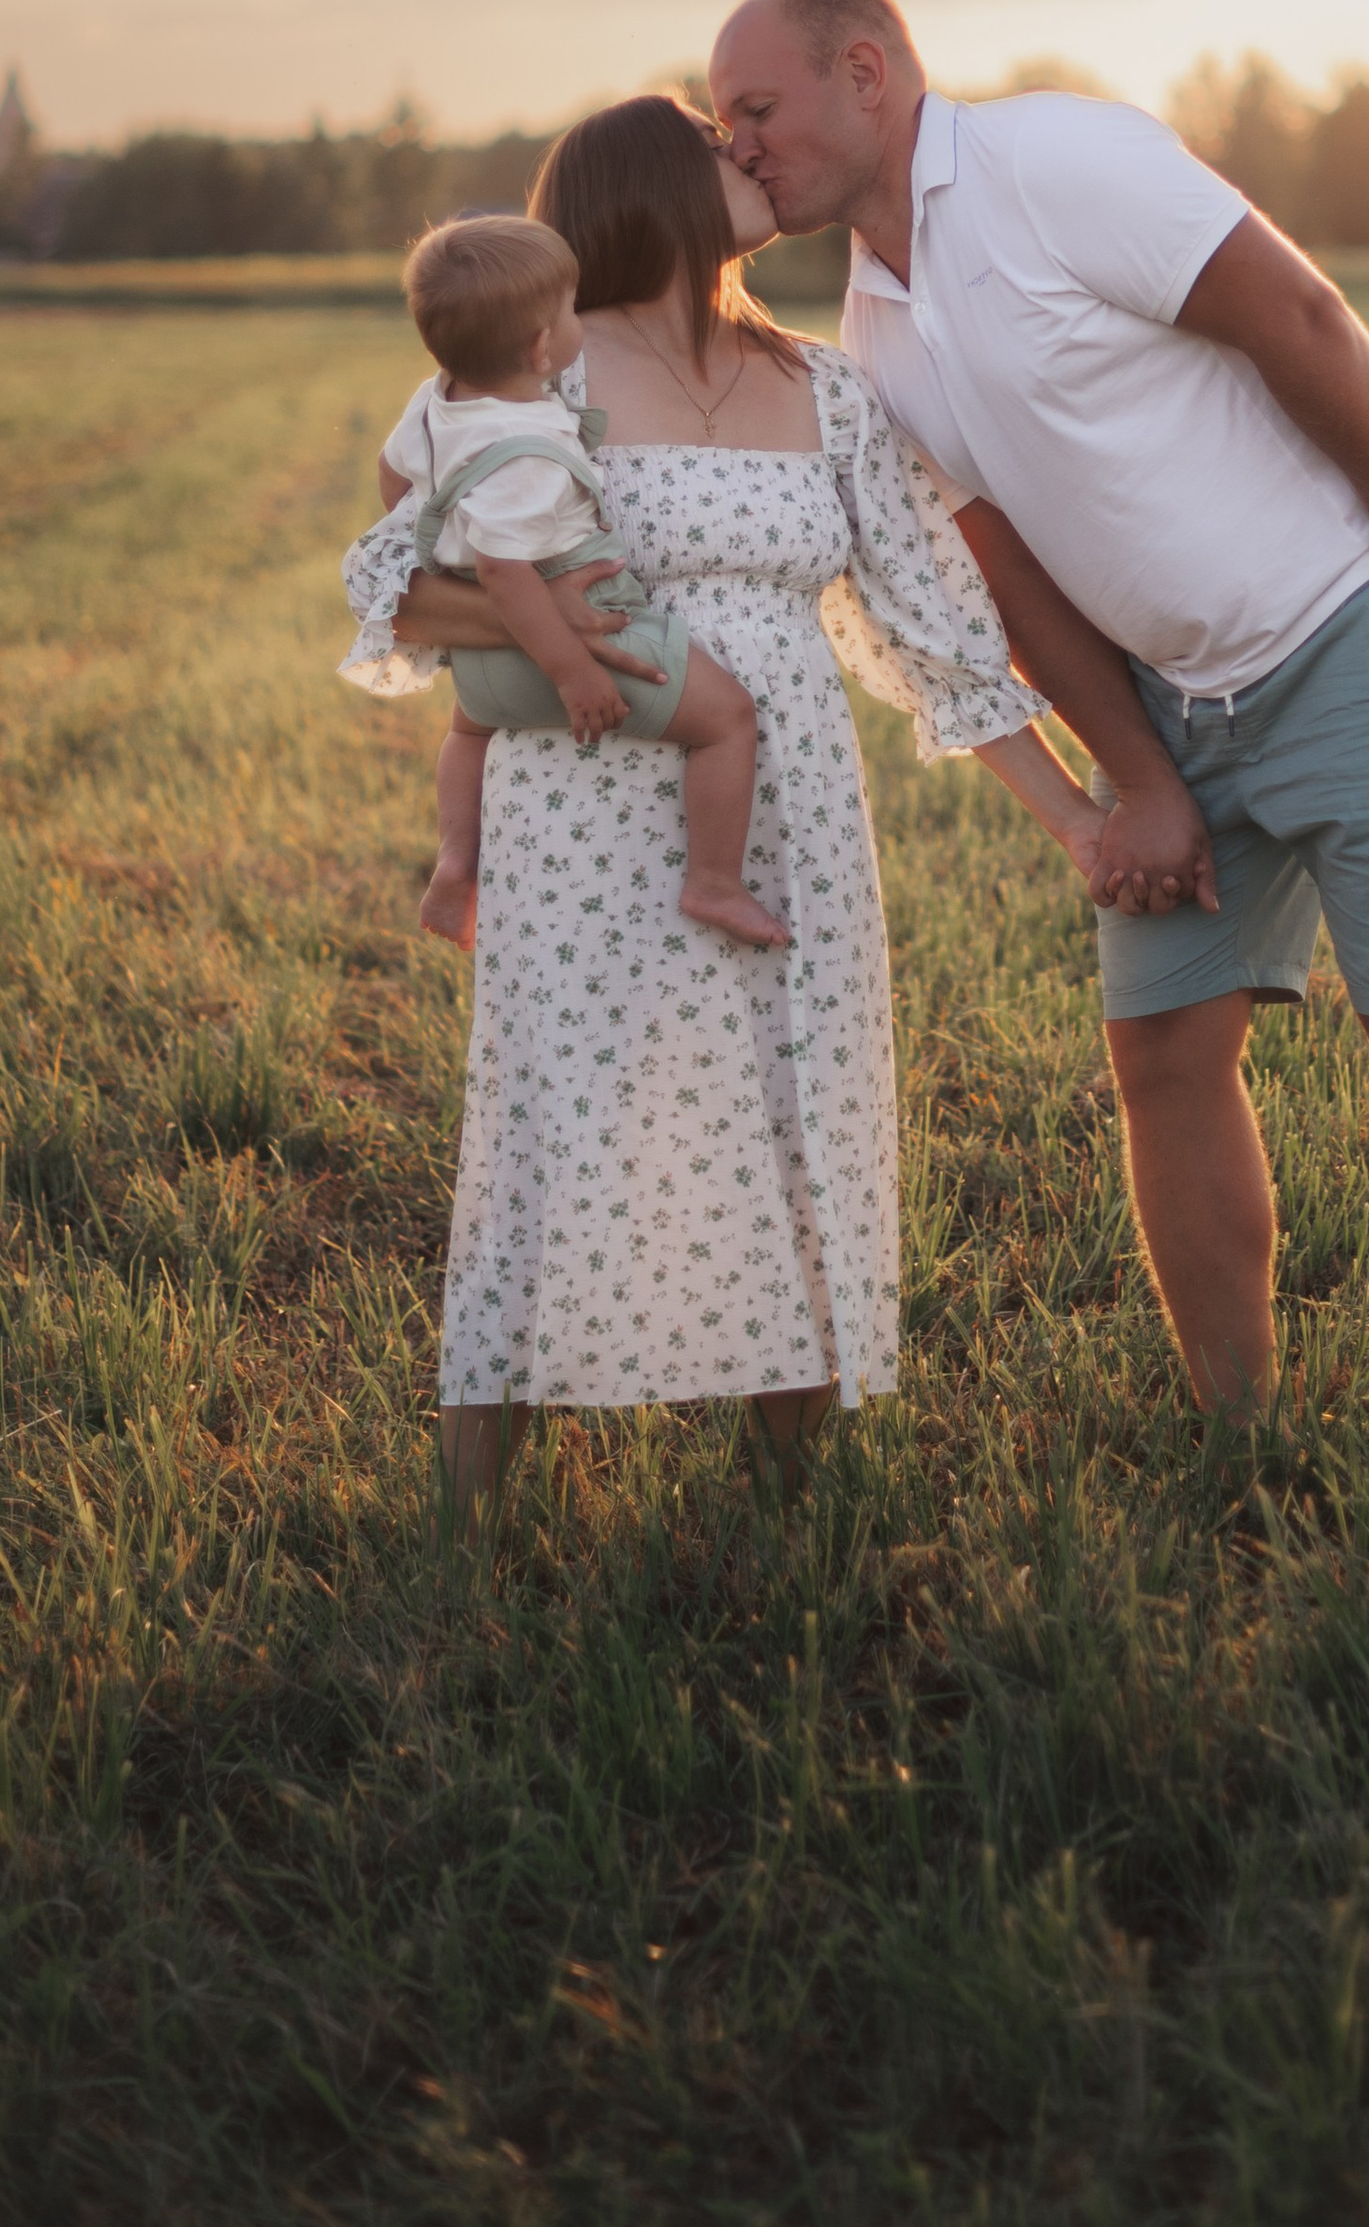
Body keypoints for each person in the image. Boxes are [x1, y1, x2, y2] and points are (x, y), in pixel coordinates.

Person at [708, 0, 1369, 1507]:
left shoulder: (1059, 162)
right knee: (1161, 1055)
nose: (740, 145)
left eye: (757, 109)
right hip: (1177, 706)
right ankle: (1243, 1445)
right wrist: (1143, 777)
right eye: (724, 124)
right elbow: (1007, 568)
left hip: (1352, 624)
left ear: (866, 71)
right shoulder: (876, 325)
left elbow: (1302, 315)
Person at [339, 96, 1105, 1512]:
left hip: (789, 804)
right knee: (558, 1122)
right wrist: (570, 629)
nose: (748, 151)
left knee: (792, 1103)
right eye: (712, 137)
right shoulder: (530, 374)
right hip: (584, 806)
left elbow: (936, 623)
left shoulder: (825, 387)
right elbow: (397, 578)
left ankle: (783, 1494)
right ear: (644, 184)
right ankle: (469, 1509)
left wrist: (1077, 819)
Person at [350, 210, 786, 954]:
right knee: (728, 719)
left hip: (484, 676)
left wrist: (448, 534)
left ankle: (457, 860)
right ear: (542, 344)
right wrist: (574, 669)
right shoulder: (528, 448)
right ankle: (714, 878)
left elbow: (396, 481)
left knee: (467, 732)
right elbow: (507, 573)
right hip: (573, 638)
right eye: (569, 303)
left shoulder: (438, 400)